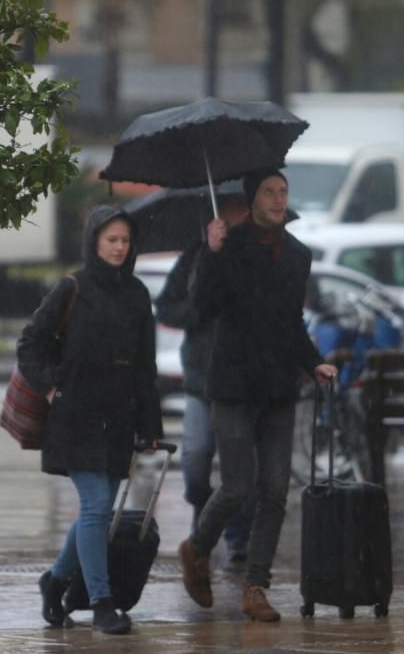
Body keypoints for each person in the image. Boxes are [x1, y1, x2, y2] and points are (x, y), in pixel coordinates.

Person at [178, 169, 338, 622]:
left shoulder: (298, 255)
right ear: (252, 200)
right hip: (232, 385)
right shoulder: (227, 246)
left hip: (278, 387)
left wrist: (314, 363)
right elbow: (201, 309)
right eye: (269, 192)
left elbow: (292, 322)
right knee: (237, 485)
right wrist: (209, 253)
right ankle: (198, 547)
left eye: (283, 191)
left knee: (275, 490)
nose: (278, 198)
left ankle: (256, 586)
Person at [17, 205, 163, 635]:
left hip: (119, 418)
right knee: (98, 506)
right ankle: (101, 602)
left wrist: (151, 426)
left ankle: (55, 580)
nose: (119, 248)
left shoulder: (137, 294)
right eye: (111, 240)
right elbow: (31, 342)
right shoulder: (72, 287)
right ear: (94, 242)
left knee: (95, 512)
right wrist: (49, 385)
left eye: (125, 241)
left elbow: (145, 366)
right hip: (75, 415)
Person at [155, 193, 256, 564]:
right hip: (201, 377)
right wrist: (198, 309)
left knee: (241, 466)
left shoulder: (256, 255)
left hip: (242, 379)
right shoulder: (195, 257)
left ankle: (238, 536)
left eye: (239, 210)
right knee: (196, 459)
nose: (233, 217)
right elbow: (168, 307)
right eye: (228, 210)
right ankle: (205, 513)